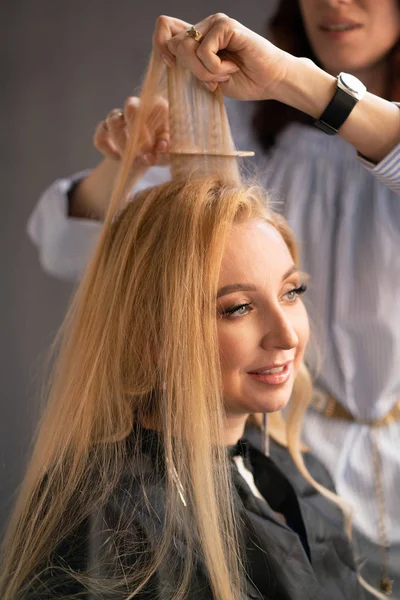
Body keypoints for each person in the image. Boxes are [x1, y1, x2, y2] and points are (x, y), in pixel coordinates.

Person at [27, 0, 400, 595]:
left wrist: (293, 79)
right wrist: (121, 169)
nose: (334, 3)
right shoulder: (230, 134)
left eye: (293, 292)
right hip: (268, 434)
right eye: (237, 307)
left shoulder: (289, 485)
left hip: (287, 460)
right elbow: (92, 256)